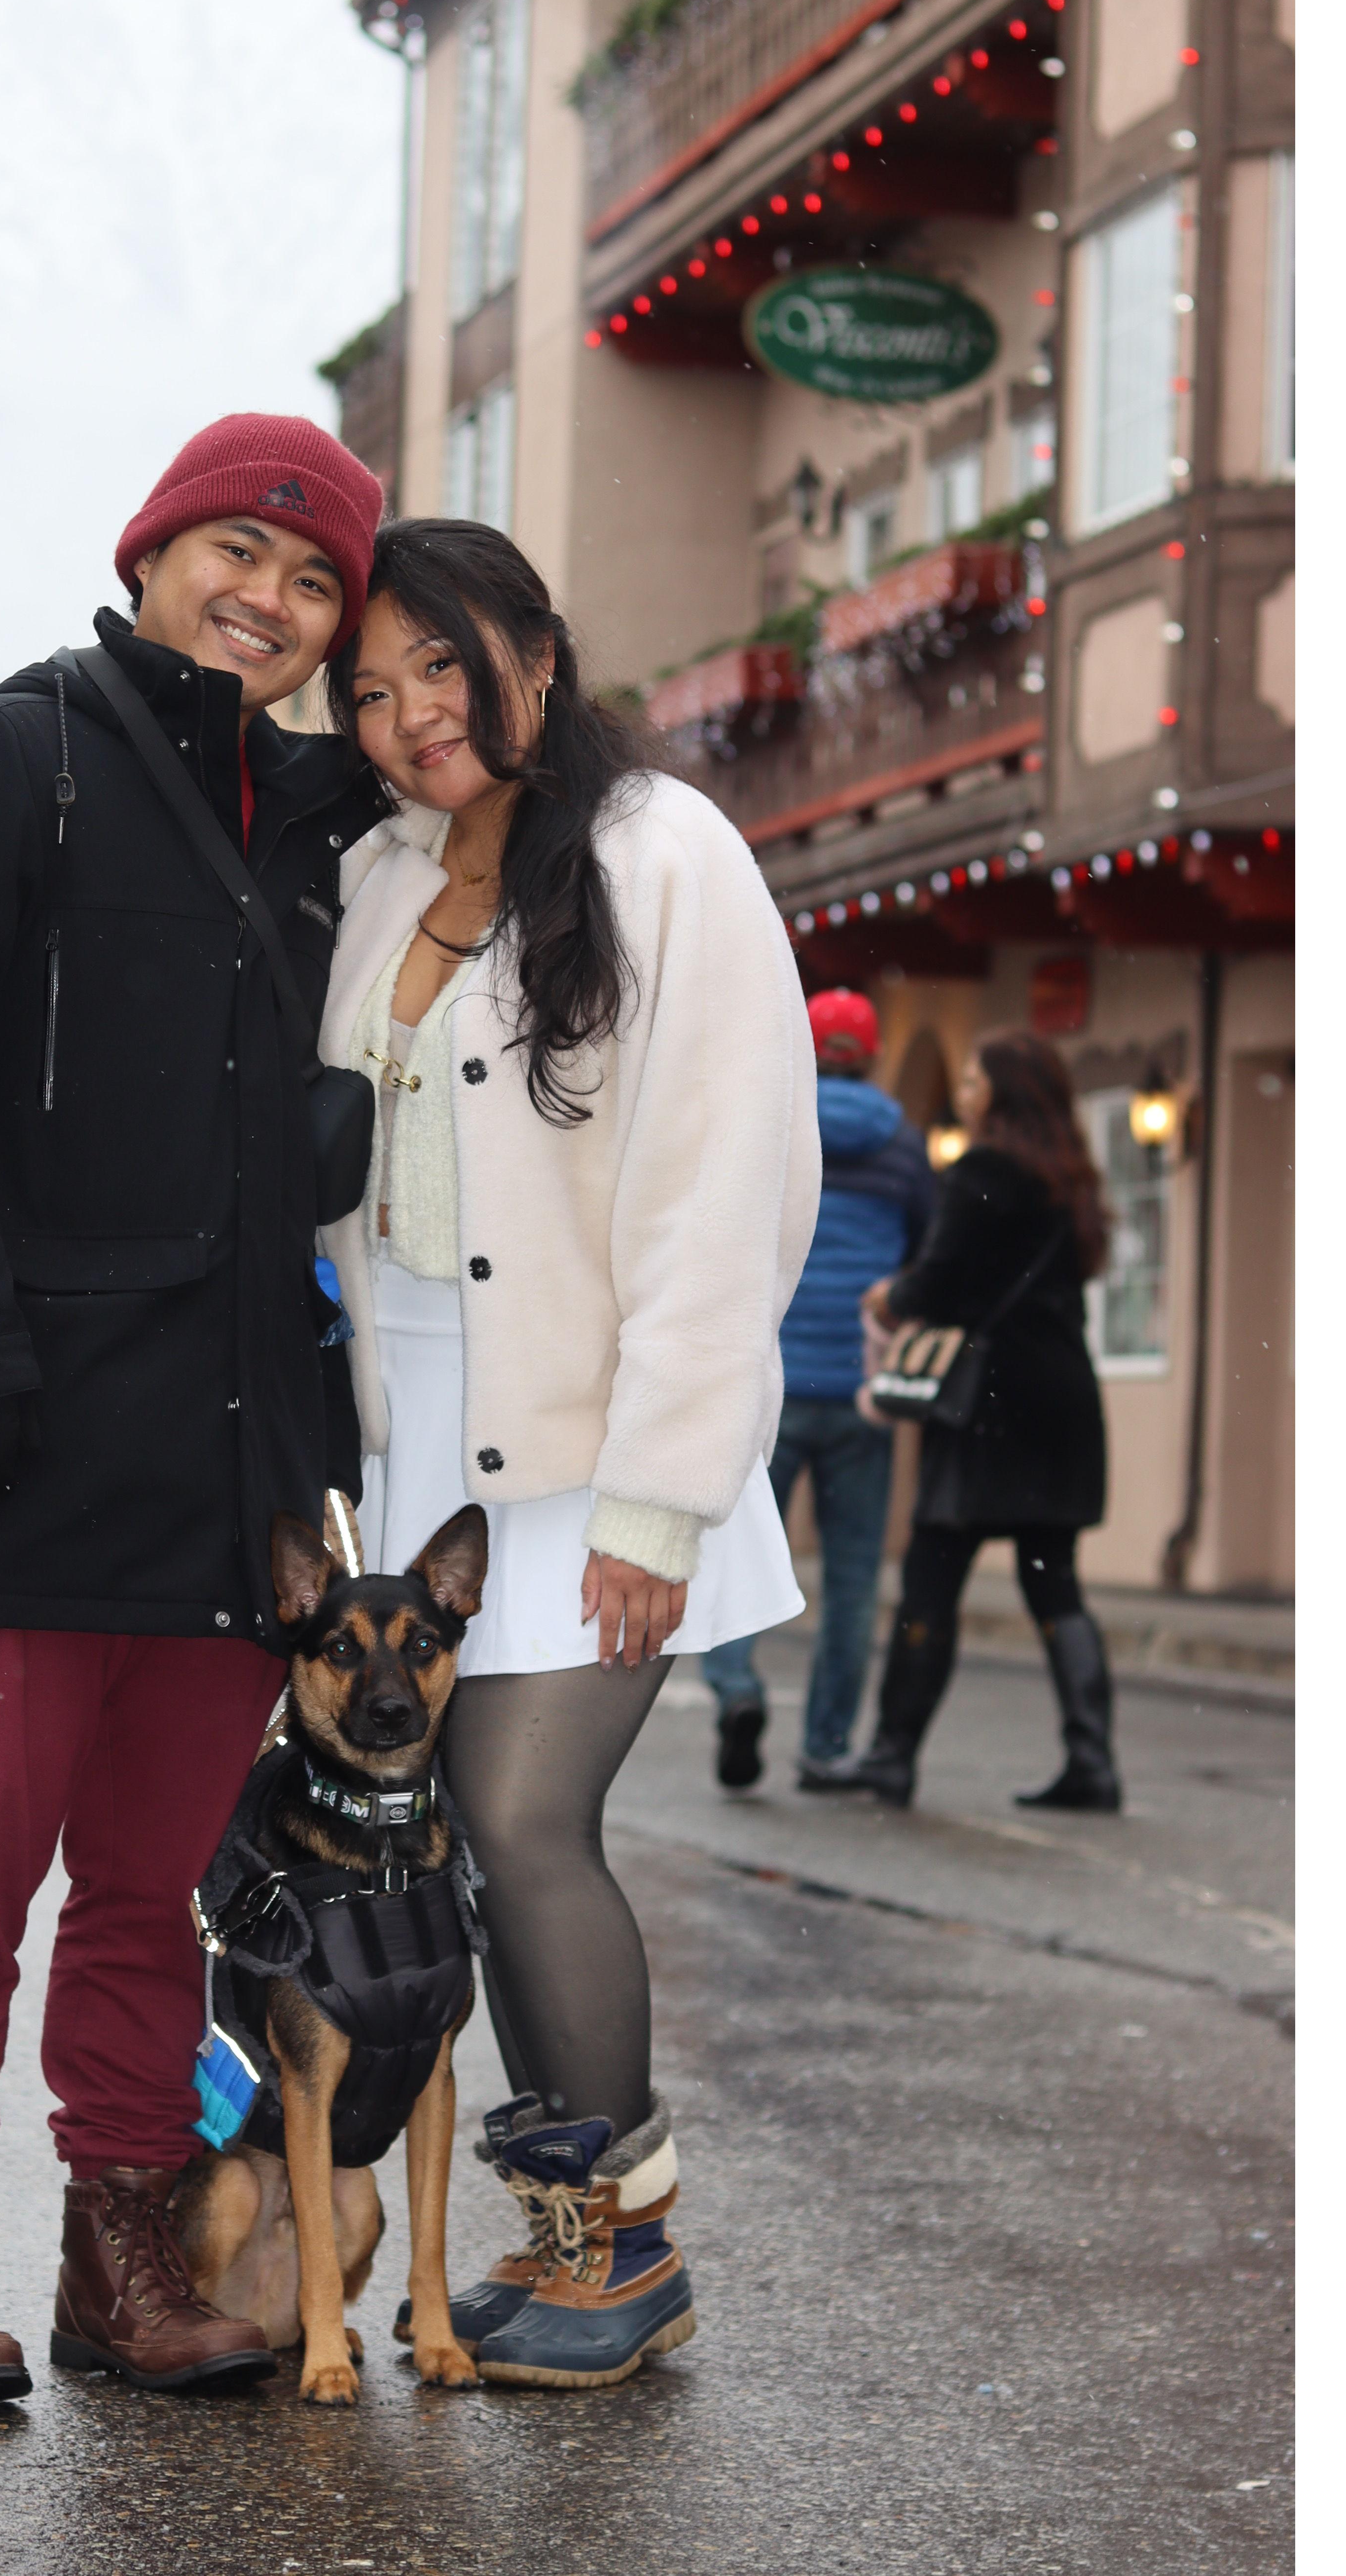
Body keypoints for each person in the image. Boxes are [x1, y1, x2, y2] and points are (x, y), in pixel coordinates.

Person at [0, 411, 385, 2409]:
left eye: (314, 582)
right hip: (22, 1440)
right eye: (239, 552)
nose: (269, 601)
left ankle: (124, 2253)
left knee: (153, 1900)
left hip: (232, 1466)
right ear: (151, 552)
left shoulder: (323, 837)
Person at [316, 515, 819, 2389]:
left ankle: (623, 2246)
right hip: (415, 1437)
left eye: (441, 666)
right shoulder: (377, 874)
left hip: (599, 1430)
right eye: (372, 690)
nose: (410, 715)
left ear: (535, 652)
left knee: (526, 1821)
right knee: (460, 1841)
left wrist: (658, 1494)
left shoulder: (661, 851)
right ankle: (572, 2238)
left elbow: (720, 1186)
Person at [840, 1029, 1121, 1812]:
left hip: (986, 1402)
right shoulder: (1071, 1180)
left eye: (972, 1080)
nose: (963, 1093)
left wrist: (890, 1297)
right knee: (1054, 1582)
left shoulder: (980, 1173)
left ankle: (892, 1755)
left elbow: (939, 1282)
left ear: (1005, 1092)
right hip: (1061, 1397)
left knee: (932, 1575)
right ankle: (1093, 1761)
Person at [698, 987, 938, 1792]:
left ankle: (737, 1688)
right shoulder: (903, 1146)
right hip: (865, 1389)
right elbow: (925, 1255)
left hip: (773, 1382)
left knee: (736, 1553)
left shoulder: (773, 1130)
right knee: (853, 1576)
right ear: (871, 1056)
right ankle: (828, 1745)